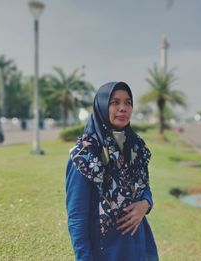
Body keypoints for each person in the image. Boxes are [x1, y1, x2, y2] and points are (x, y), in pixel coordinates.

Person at [66, 82, 158, 261]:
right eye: (115, 102)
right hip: (105, 250)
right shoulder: (84, 154)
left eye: (128, 102)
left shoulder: (136, 146)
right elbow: (77, 218)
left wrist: (146, 203)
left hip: (139, 244)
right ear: (101, 106)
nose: (123, 108)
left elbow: (144, 187)